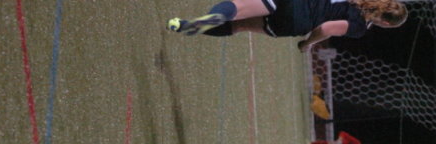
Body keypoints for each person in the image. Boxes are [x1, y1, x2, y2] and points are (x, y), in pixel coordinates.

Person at [166, 0, 408, 52]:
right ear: (386, 23)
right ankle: (186, 27)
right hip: (295, 23)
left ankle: (193, 24)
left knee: (237, 7)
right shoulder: (359, 27)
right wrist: (307, 44)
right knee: (240, 25)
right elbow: (326, 29)